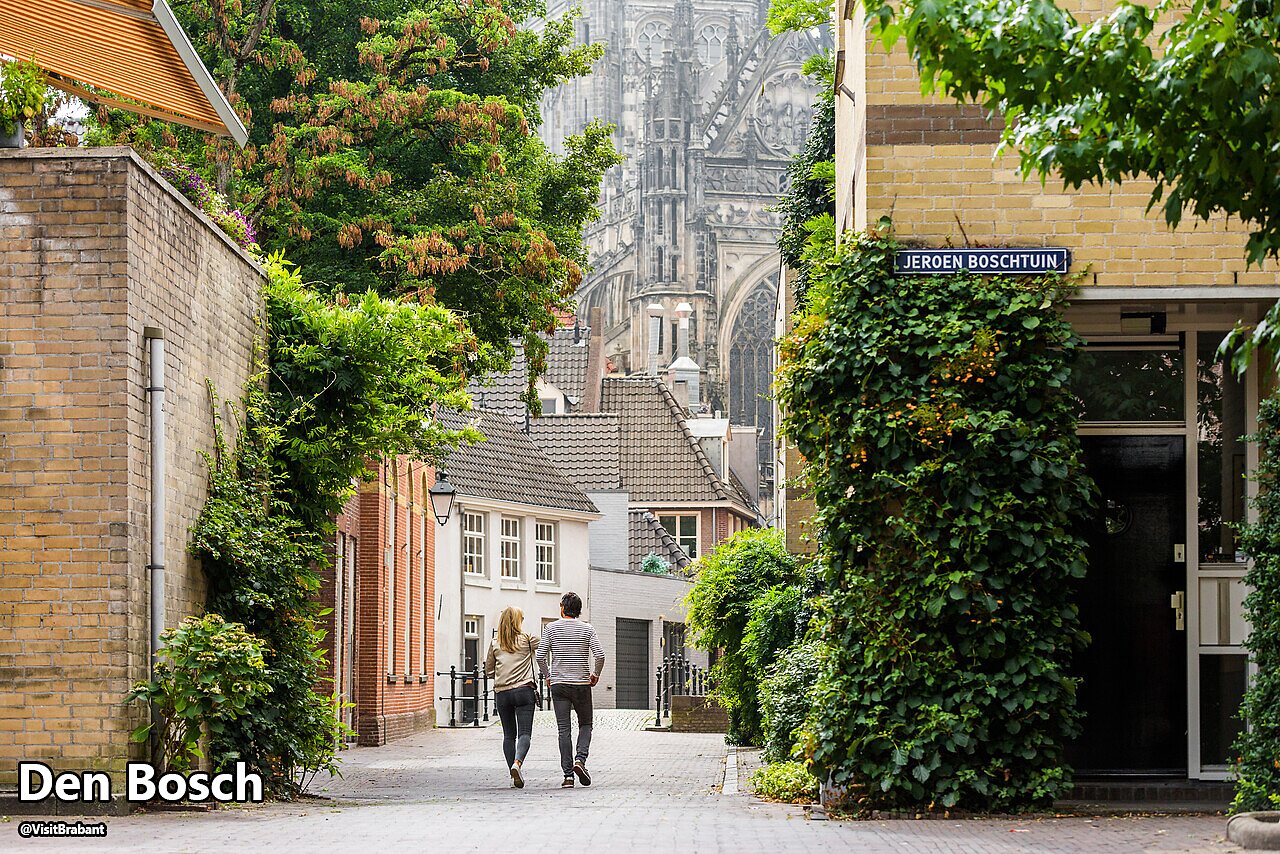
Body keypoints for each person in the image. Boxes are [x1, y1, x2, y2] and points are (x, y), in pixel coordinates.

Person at [537, 592, 605, 788]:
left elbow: (540, 656)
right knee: (585, 725)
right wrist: (595, 674)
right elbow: (600, 655)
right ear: (579, 610)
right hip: (581, 685)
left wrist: (548, 676)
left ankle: (568, 776)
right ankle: (580, 760)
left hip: (559, 685)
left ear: (562, 607)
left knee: (563, 730)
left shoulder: (551, 628)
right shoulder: (587, 629)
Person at [484, 606, 539, 789]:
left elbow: (489, 670)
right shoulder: (528, 640)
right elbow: (547, 645)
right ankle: (518, 763)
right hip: (524, 691)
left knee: (509, 735)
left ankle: (512, 773)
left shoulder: (495, 642)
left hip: (502, 693)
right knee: (524, 733)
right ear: (518, 621)